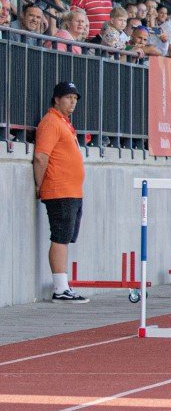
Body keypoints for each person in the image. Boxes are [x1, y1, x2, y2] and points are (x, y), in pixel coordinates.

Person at [34, 82, 88, 301]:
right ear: (57, 99)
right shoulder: (51, 122)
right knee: (60, 237)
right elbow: (41, 156)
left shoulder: (64, 122)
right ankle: (60, 288)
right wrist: (39, 185)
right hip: (60, 190)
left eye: (75, 98)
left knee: (65, 238)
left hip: (72, 190)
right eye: (68, 97)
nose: (73, 102)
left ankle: (63, 286)